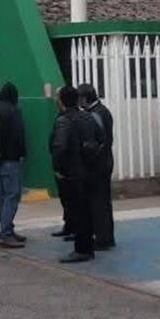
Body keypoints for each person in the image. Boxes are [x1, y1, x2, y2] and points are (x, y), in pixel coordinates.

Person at [51, 85, 105, 263]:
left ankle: (81, 249)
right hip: (89, 170)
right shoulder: (88, 117)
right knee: (87, 210)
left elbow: (59, 147)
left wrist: (58, 168)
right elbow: (101, 139)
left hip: (72, 173)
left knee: (77, 211)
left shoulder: (64, 120)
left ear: (61, 101)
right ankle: (87, 246)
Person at [78, 83, 115, 250]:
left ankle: (103, 238)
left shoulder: (95, 115)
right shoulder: (101, 111)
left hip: (98, 165)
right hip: (105, 162)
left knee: (99, 203)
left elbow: (99, 142)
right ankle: (105, 236)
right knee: (102, 202)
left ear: (85, 98)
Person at [0, 82, 27, 249]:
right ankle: (5, 233)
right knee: (12, 195)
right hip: (11, 159)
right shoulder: (13, 111)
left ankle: (6, 228)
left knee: (2, 195)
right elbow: (18, 135)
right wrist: (22, 154)